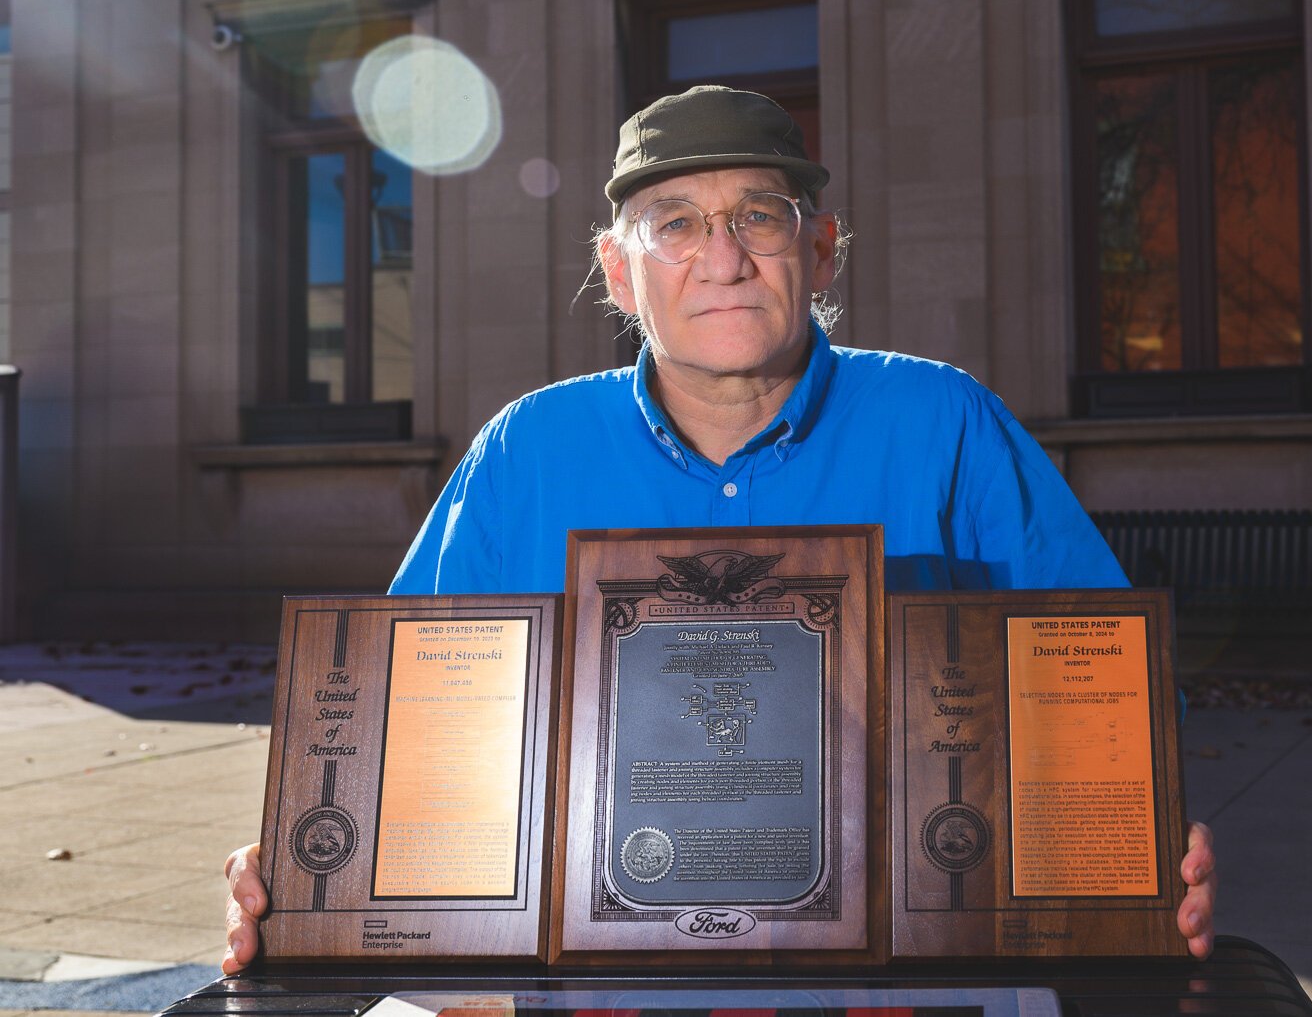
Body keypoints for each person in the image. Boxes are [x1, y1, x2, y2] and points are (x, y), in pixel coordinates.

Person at [223, 85, 1216, 970]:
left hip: (889, 986)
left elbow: (1098, 694)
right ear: (619, 270)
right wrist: (316, 860)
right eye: (675, 223)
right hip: (592, 992)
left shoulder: (945, 423)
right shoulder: (526, 450)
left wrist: (1141, 844)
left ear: (820, 245)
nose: (724, 259)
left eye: (758, 217)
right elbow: (401, 729)